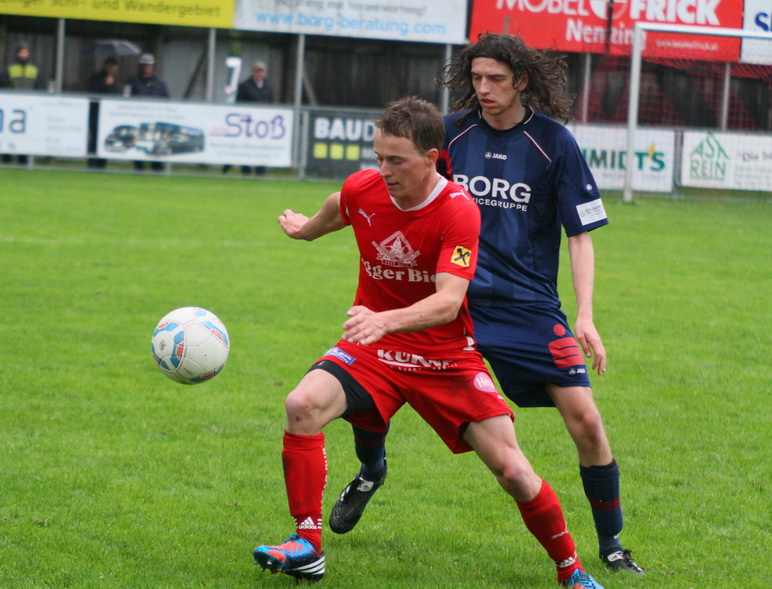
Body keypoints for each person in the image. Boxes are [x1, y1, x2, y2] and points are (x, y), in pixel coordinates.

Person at [252, 96, 604, 589]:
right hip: (374, 350)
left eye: (396, 160)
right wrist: (305, 230)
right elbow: (340, 205)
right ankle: (307, 544)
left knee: (513, 472)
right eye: (379, 157)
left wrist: (384, 320)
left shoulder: (458, 211)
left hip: (444, 356)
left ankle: (571, 569)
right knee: (301, 404)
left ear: (431, 158)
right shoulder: (365, 188)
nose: (383, 170)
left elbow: (448, 302)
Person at [331, 33, 645, 576]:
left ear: (521, 80)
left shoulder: (555, 143)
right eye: (476, 78)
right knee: (372, 380)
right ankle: (371, 469)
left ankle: (612, 546)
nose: (484, 88)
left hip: (528, 306)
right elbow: (388, 186)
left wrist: (585, 315)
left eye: (495, 78)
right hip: (447, 302)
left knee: (587, 421)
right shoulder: (449, 132)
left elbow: (580, 235)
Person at [224, 61, 273, 176]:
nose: (259, 74)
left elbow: (271, 103)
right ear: (253, 72)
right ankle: (245, 171)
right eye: (257, 71)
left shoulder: (269, 86)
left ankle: (260, 172)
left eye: (261, 71)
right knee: (246, 147)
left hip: (263, 124)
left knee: (262, 148)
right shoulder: (245, 85)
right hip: (248, 123)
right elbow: (239, 103)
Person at [127, 53, 169, 172]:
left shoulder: (160, 83)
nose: (147, 67)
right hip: (138, 120)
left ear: (153, 66)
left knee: (156, 144)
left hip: (155, 121)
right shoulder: (132, 82)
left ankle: (157, 170)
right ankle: (139, 169)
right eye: (145, 65)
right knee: (138, 144)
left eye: (149, 65)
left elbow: (166, 101)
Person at [3, 41, 41, 165]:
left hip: (28, 109)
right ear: (17, 54)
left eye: (25, 52)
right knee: (9, 135)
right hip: (12, 107)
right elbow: (5, 87)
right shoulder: (10, 69)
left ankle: (23, 162)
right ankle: (7, 160)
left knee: (25, 137)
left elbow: (38, 88)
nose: (23, 54)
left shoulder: (34, 70)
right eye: (21, 52)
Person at [86, 56, 123, 169]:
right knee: (95, 138)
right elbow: (92, 92)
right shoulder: (96, 77)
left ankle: (102, 164)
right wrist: (105, 85)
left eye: (114, 66)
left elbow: (118, 94)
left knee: (107, 138)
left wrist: (112, 85)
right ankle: (92, 163)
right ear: (105, 66)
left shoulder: (116, 80)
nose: (112, 69)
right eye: (110, 66)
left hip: (109, 116)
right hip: (96, 114)